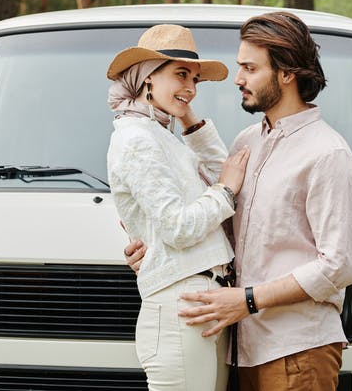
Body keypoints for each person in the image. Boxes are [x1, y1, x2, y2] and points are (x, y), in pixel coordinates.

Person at [127, 12, 352, 391]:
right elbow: (221, 225)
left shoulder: (328, 154)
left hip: (298, 351)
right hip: (241, 349)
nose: (238, 78)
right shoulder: (246, 143)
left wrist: (249, 301)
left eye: (249, 68)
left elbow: (337, 266)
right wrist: (154, 247)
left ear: (287, 73)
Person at [106, 23, 250, 391]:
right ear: (147, 78)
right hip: (179, 304)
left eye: (196, 80)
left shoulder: (162, 135)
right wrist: (224, 192)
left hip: (203, 299)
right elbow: (177, 227)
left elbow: (227, 172)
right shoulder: (136, 138)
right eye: (181, 75)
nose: (190, 87)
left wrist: (188, 118)